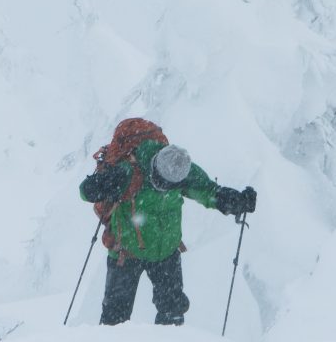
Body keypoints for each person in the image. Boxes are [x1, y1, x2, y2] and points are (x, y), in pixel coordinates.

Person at [78, 117, 256, 326]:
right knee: (114, 320)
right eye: (158, 181)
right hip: (126, 252)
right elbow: (84, 191)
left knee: (172, 314)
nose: (162, 187)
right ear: (154, 165)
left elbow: (209, 191)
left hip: (165, 253)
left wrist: (234, 201)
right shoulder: (128, 171)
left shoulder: (181, 169)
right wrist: (100, 185)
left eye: (168, 186)